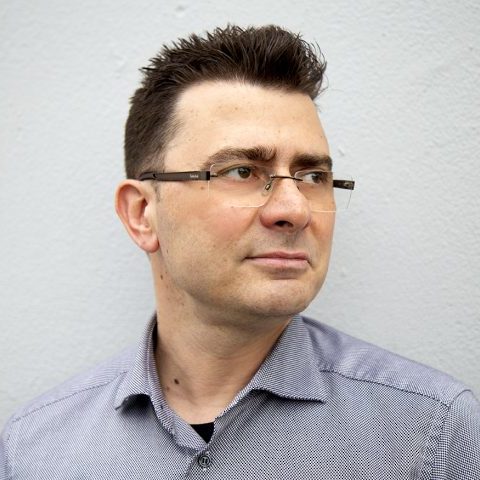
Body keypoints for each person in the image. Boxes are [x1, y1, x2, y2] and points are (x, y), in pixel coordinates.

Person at [1, 25, 479, 479]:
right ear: (142, 213)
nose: (294, 209)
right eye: (241, 171)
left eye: (313, 177)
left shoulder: (431, 434)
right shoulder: (34, 451)